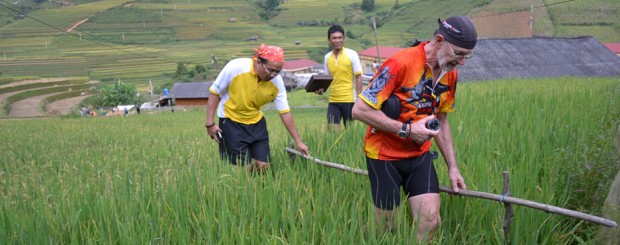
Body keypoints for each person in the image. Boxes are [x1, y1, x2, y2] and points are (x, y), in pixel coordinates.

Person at [351, 16, 477, 241]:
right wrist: (407, 130)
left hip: (419, 155)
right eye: (459, 53)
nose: (462, 61)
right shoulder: (400, 63)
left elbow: (443, 119)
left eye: (467, 55)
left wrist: (453, 167)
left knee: (430, 221)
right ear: (439, 40)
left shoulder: (451, 73)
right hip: (384, 156)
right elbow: (359, 110)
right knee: (386, 227)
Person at [205, 44, 310, 172]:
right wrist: (210, 124)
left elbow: (285, 112)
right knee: (244, 167)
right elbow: (215, 93)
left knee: (264, 166)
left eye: (278, 71)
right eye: (270, 70)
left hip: (256, 123)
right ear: (258, 62)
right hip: (231, 122)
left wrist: (298, 141)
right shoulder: (236, 67)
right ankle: (246, 188)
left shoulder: (277, 82)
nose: (273, 75)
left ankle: (260, 189)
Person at [317, 24, 363, 131]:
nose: (337, 40)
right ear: (329, 40)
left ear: (343, 38)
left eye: (340, 37)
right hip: (333, 100)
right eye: (334, 38)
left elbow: (358, 76)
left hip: (349, 99)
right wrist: (321, 90)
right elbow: (327, 78)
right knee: (332, 132)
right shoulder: (327, 57)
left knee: (350, 133)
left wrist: (359, 99)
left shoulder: (352, 54)